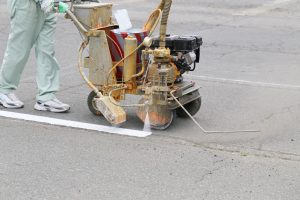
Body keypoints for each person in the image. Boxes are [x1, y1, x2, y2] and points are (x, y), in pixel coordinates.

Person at [0, 0, 70, 113]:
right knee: (19, 48)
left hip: (48, 4)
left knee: (47, 51)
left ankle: (46, 97)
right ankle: (4, 89)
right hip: (25, 4)